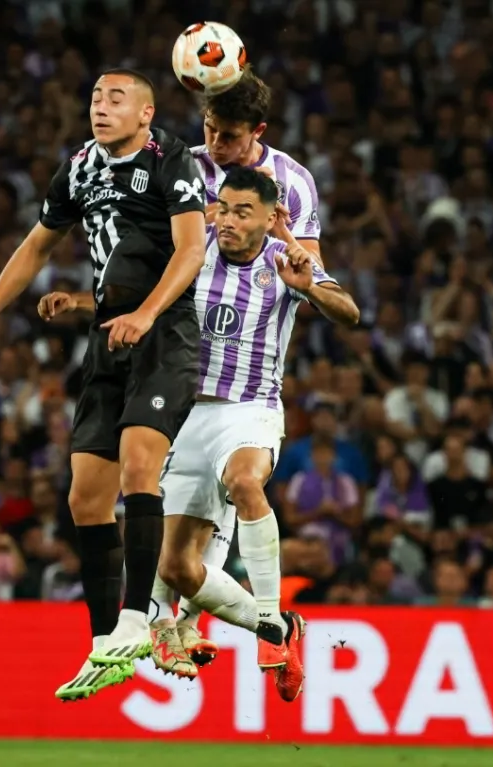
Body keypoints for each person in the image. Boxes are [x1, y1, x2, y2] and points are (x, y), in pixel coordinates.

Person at [0, 68, 207, 702]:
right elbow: (39, 243)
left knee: (136, 467)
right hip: (108, 338)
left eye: (116, 98)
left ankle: (138, 620)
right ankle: (106, 645)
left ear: (146, 113)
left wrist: (147, 313)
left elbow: (190, 249)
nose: (101, 106)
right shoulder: (78, 168)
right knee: (84, 500)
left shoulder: (169, 159)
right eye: (96, 96)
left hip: (165, 334)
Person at [147, 167, 359, 702]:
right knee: (176, 566)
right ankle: (285, 627)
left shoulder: (286, 261)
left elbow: (349, 313)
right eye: (223, 207)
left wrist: (310, 288)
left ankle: (267, 620)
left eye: (244, 211)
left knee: (246, 483)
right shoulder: (192, 254)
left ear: (272, 218)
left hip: (251, 409)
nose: (228, 220)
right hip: (189, 417)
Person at [192, 70, 322, 265]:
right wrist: (235, 206)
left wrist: (277, 229)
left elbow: (315, 271)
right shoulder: (180, 165)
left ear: (258, 131)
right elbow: (152, 235)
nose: (216, 143)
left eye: (230, 136)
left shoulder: (295, 179)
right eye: (210, 128)